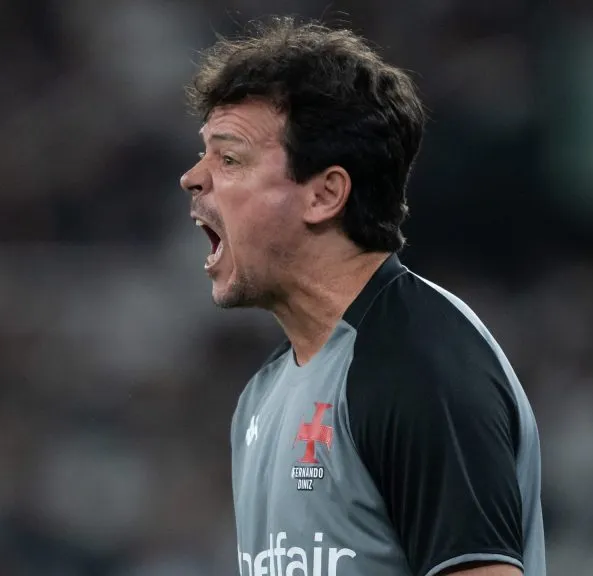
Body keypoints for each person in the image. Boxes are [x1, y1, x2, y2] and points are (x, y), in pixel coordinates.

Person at [179, 17, 545, 576]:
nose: (192, 178)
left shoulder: (420, 363)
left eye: (229, 159)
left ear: (325, 194)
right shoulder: (260, 397)